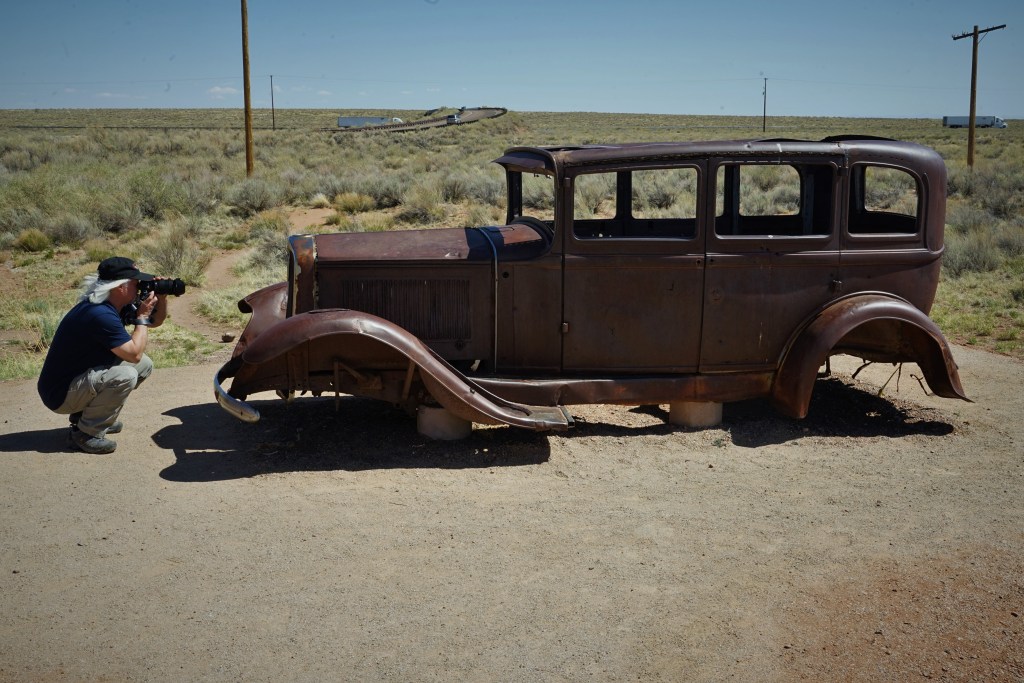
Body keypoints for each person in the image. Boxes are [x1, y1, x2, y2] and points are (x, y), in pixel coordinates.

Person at [37, 257, 168, 454]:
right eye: (135, 283)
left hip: (73, 383)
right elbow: (134, 354)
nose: (139, 288)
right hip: (60, 394)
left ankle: (89, 417)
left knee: (144, 365)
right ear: (120, 288)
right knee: (126, 375)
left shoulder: (111, 304)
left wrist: (162, 298)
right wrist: (141, 317)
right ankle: (86, 434)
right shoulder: (99, 314)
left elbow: (154, 322)